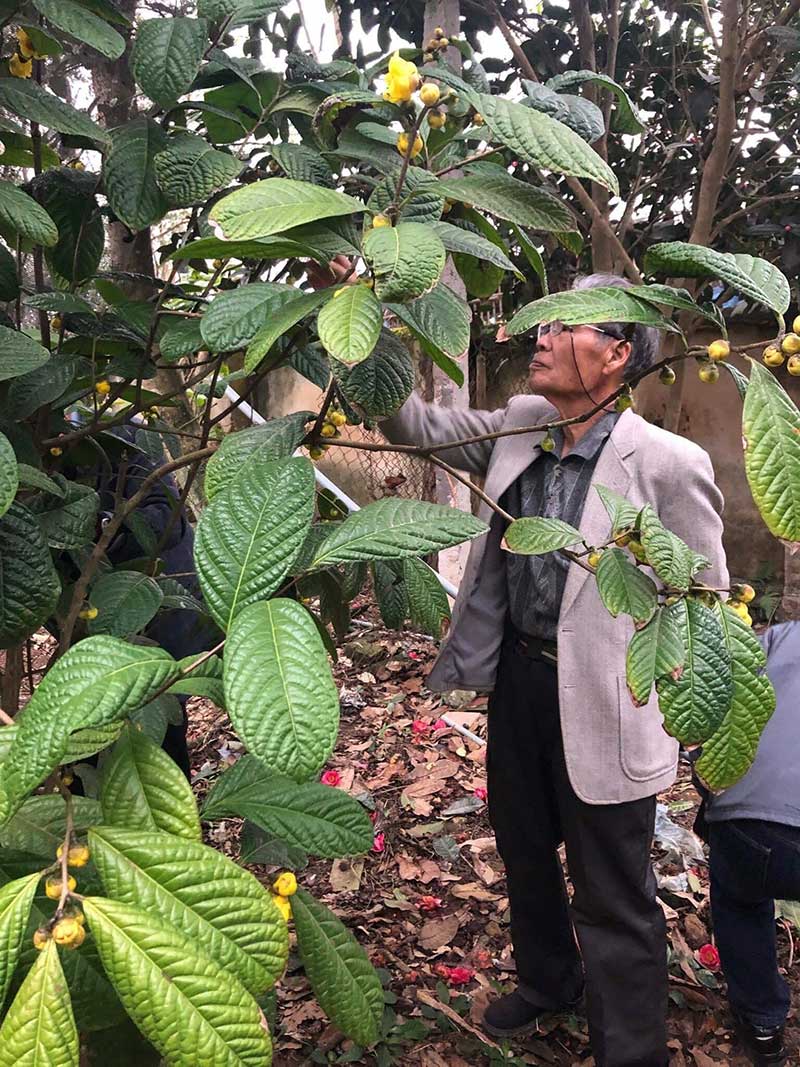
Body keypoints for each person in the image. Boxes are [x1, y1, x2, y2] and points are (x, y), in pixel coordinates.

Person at [381, 273, 728, 1067]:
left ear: (615, 353)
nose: (538, 336)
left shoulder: (667, 463)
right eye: (540, 325)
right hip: (523, 684)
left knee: (613, 888)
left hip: (608, 698)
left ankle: (631, 1049)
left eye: (562, 327)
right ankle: (549, 979)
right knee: (523, 843)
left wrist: (684, 719)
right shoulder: (522, 424)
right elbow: (415, 424)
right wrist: (368, 324)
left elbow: (702, 598)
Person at [698, 620, 800, 1067]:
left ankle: (761, 1025)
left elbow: (713, 701)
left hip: (748, 822)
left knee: (739, 901)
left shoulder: (780, 637)